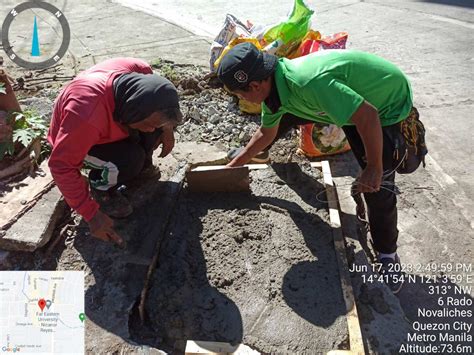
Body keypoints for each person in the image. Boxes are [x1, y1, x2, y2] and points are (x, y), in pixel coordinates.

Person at [217, 42, 427, 294]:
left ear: (255, 85)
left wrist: (373, 166)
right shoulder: (275, 87)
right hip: (346, 100)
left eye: (240, 95)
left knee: (378, 186)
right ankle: (257, 155)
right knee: (284, 114)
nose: (241, 100)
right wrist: (237, 163)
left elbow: (367, 116)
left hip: (382, 104)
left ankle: (387, 255)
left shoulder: (308, 84)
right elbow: (266, 129)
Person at [48, 58, 182, 246]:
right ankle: (102, 190)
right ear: (132, 111)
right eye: (148, 124)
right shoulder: (86, 114)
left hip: (112, 124)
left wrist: (166, 129)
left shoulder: (139, 72)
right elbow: (61, 166)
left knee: (153, 131)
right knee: (129, 159)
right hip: (83, 141)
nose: (152, 129)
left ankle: (139, 169)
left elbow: (159, 107)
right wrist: (92, 214)